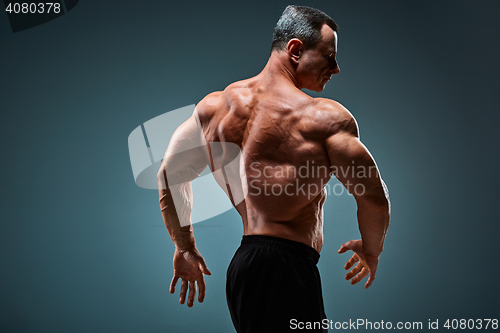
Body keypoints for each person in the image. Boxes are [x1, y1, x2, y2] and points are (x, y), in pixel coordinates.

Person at [157, 5, 390, 333]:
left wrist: (185, 248)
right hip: (288, 268)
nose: (335, 68)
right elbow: (374, 199)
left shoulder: (213, 109)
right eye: (329, 56)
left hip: (244, 267)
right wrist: (372, 250)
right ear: (296, 50)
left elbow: (169, 174)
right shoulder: (324, 119)